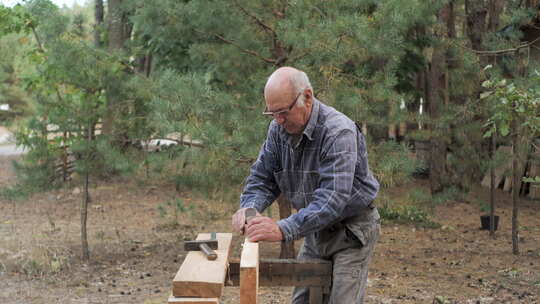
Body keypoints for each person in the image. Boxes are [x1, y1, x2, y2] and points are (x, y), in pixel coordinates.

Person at [232, 66, 380, 304]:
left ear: (307, 97)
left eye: (283, 112)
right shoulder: (277, 130)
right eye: (272, 114)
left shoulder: (338, 132)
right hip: (315, 228)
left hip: (351, 232)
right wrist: (248, 209)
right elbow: (262, 178)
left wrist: (281, 229)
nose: (278, 121)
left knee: (342, 300)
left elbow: (331, 200)